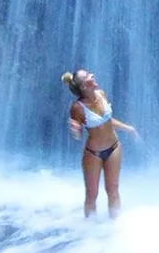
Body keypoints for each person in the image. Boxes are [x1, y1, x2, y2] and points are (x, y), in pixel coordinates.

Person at [60, 69, 139, 218]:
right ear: (83, 86)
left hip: (114, 147)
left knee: (113, 189)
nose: (92, 75)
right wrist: (75, 131)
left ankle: (115, 226)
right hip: (93, 153)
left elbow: (107, 121)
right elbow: (77, 132)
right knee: (91, 195)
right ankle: (90, 231)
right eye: (88, 76)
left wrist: (128, 128)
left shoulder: (101, 94)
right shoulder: (77, 108)